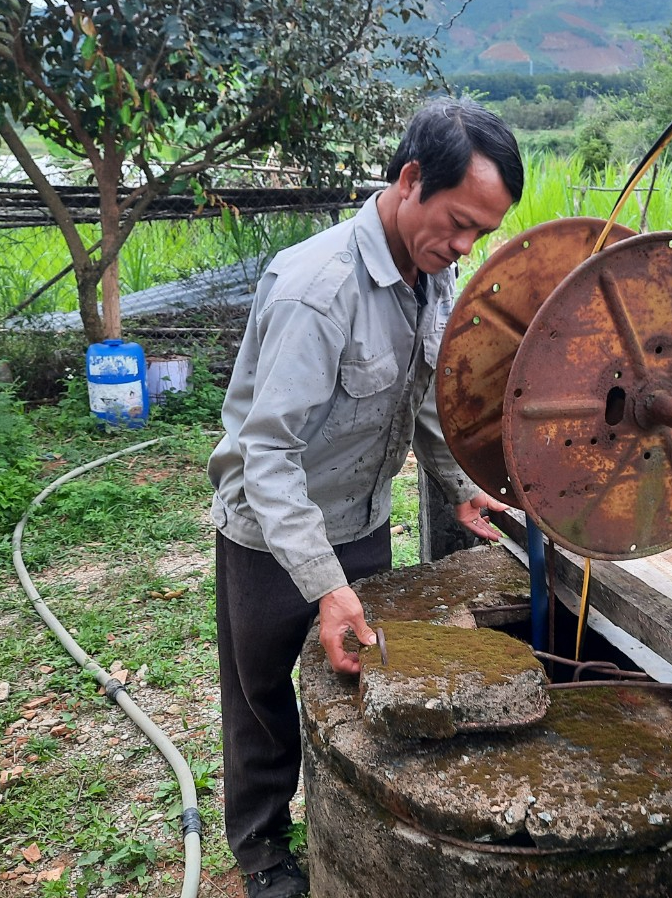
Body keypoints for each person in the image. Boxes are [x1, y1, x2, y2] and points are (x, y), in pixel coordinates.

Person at [207, 97, 524, 898]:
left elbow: (426, 395)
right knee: (264, 699)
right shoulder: (319, 291)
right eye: (456, 223)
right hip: (270, 534)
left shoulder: (432, 276)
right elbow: (265, 456)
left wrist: (458, 488)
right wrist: (324, 584)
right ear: (411, 178)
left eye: (479, 235)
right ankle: (262, 852)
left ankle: (340, 820)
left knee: (349, 687)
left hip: (362, 520)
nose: (461, 248)